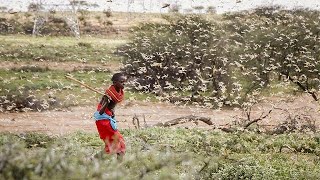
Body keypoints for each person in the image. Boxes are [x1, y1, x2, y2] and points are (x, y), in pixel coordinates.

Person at [93, 73, 126, 160]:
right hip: (103, 121)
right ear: (115, 82)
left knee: (117, 143)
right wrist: (106, 102)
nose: (124, 84)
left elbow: (112, 106)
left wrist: (112, 112)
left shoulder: (118, 92)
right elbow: (100, 112)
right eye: (121, 82)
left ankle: (94, 160)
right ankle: (119, 166)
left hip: (108, 118)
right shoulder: (108, 95)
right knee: (117, 142)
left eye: (124, 82)